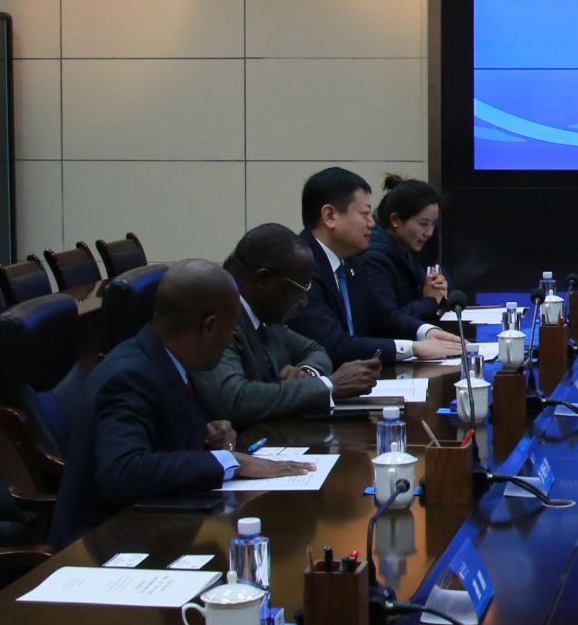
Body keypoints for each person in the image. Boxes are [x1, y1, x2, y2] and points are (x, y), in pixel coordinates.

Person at [50, 260, 313, 546]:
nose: (230, 342)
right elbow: (123, 470)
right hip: (103, 544)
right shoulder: (129, 376)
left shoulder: (164, 359)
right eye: (231, 329)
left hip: (156, 522)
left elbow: (161, 438)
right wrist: (229, 461)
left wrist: (207, 439)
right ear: (210, 326)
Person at [194, 224, 383, 428]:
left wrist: (308, 373)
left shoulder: (267, 316)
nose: (304, 301)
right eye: (300, 289)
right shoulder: (219, 318)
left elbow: (315, 350)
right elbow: (236, 399)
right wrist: (329, 385)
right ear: (263, 279)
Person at [296, 166, 462, 367]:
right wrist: (413, 348)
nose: (372, 223)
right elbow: (334, 344)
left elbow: (383, 316)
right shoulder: (301, 267)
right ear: (330, 216)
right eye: (364, 214)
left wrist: (427, 332)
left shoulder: (349, 261)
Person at [354, 175, 450, 342]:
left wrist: (439, 288)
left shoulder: (405, 248)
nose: (429, 233)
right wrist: (430, 300)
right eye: (423, 224)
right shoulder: (374, 259)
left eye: (433, 224)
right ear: (396, 220)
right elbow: (387, 321)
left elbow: (438, 291)